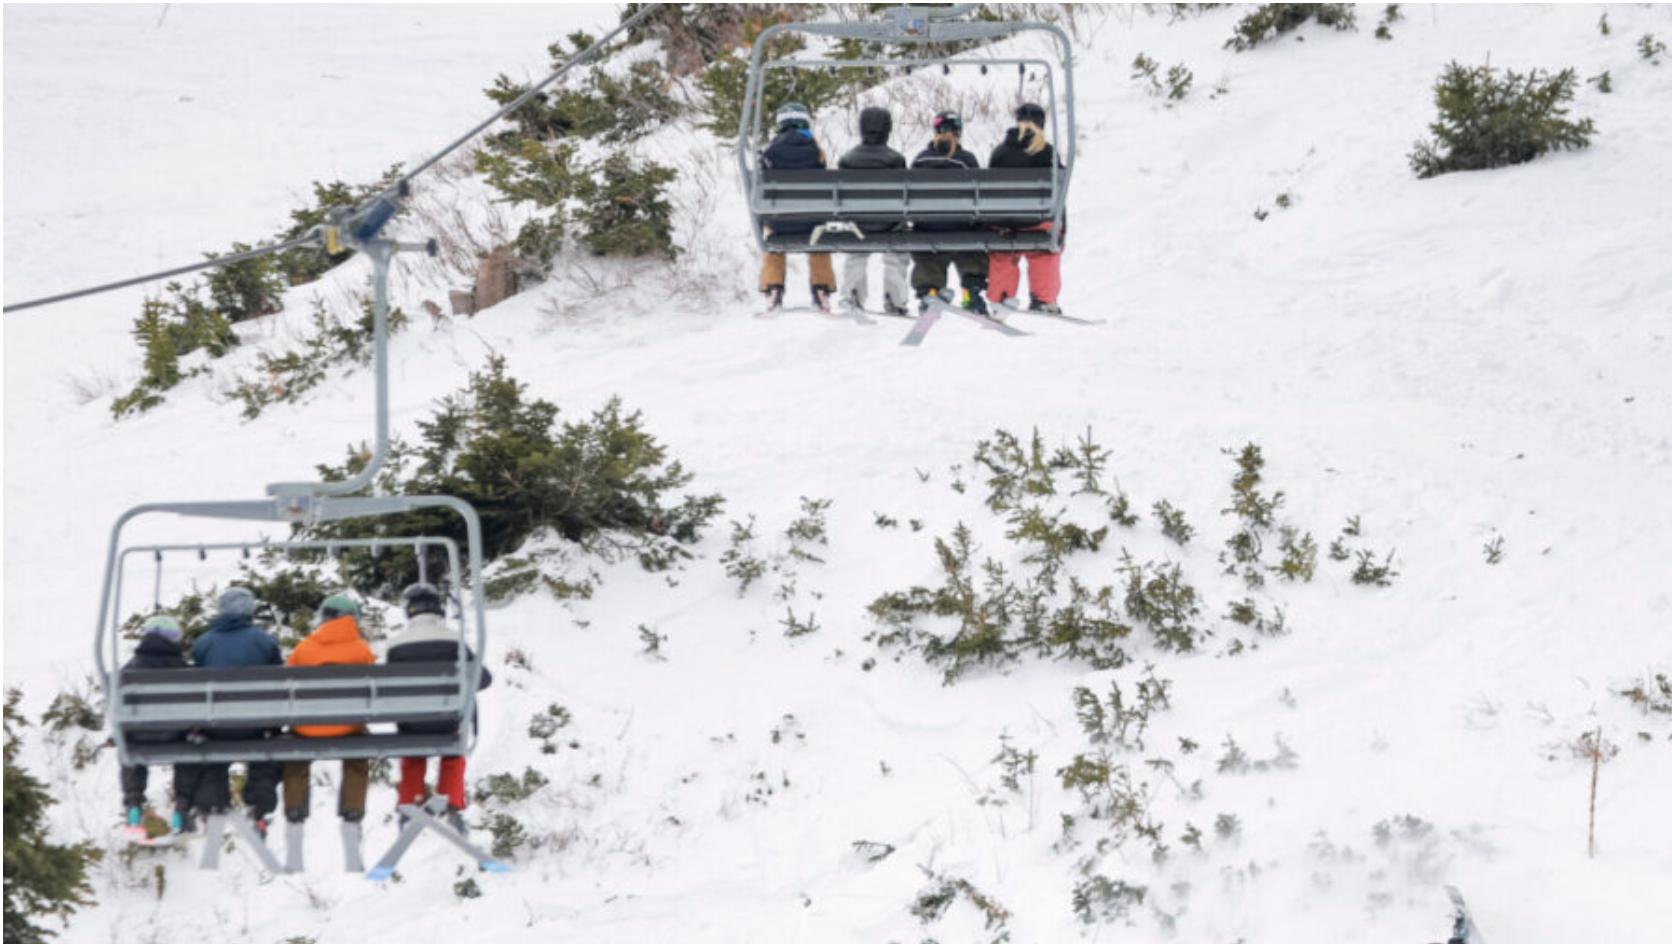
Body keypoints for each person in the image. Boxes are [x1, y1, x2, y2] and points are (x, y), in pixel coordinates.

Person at [386, 582, 492, 834]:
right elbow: (483, 679)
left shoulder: (396, 644)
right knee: (453, 753)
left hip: (411, 723)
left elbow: (388, 687)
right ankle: (452, 805)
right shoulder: (454, 640)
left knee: (413, 754)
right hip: (448, 720)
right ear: (438, 608)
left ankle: (409, 804)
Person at [191, 586, 283, 838]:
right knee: (265, 755)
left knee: (211, 759)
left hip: (216, 725)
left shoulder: (204, 643)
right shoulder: (265, 641)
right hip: (257, 725)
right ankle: (260, 808)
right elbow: (279, 682)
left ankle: (212, 808)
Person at [280, 594, 374, 831]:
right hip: (348, 727)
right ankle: (352, 810)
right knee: (357, 756)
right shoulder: (361, 650)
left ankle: (295, 810)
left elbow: (285, 688)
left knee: (295, 753)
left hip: (306, 728)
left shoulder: (304, 649)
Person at [118, 615, 204, 836]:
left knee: (129, 747)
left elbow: (117, 705)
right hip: (175, 735)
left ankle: (133, 805)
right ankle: (182, 808)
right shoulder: (182, 669)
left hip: (139, 735)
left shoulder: (129, 668)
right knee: (190, 749)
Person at [986, 102, 1065, 314]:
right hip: (1037, 223)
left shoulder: (1000, 153)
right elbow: (1057, 195)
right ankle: (1044, 299)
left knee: (1004, 253)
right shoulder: (1048, 153)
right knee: (1044, 251)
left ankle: (1001, 297)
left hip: (1004, 224)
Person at [757, 101, 837, 312]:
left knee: (773, 240)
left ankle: (773, 288)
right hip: (811, 221)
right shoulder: (815, 152)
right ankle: (821, 289)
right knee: (819, 239)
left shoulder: (770, 153)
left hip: (780, 221)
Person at [909, 110, 989, 314]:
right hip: (964, 230)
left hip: (927, 230)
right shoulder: (967, 160)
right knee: (972, 240)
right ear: (958, 132)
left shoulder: (920, 160)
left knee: (928, 251)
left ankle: (929, 292)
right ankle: (971, 291)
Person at [836, 106, 911, 316]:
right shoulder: (896, 160)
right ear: (888, 129)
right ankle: (895, 299)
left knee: (856, 250)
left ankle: (853, 294)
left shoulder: (847, 160)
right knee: (898, 251)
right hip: (891, 224)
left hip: (858, 224)